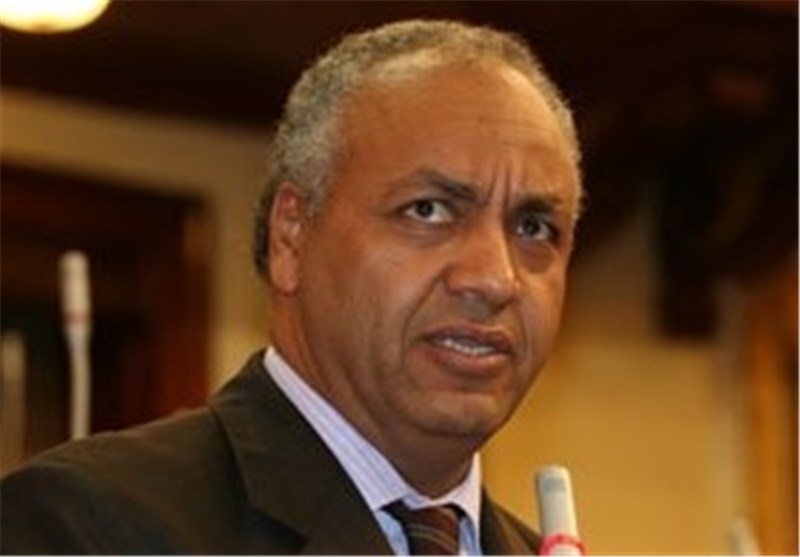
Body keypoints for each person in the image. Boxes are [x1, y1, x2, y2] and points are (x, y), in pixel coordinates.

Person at [0, 19, 582, 555]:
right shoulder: (90, 522)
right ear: (291, 237)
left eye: (534, 228)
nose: (495, 278)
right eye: (428, 210)